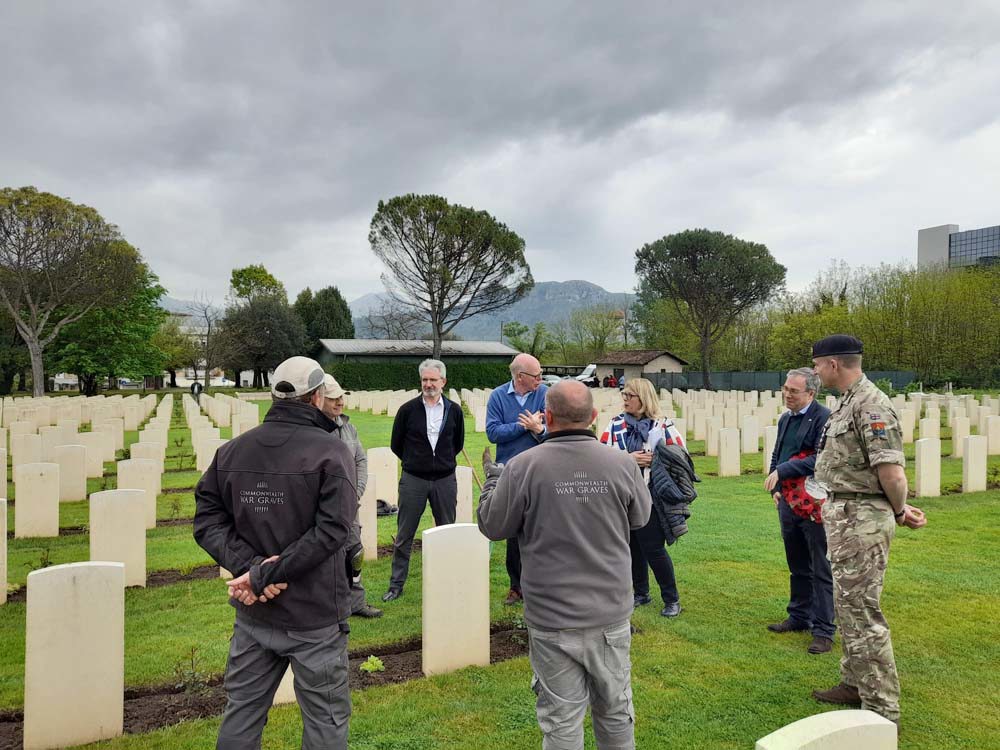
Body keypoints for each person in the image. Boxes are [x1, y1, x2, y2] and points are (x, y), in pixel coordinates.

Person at [478, 380, 652, 750]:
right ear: (593, 416)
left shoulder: (522, 467)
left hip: (552, 618)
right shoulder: (622, 464)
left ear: (548, 416)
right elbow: (641, 517)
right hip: (608, 612)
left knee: (561, 721)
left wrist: (492, 483)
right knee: (615, 709)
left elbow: (493, 525)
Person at [193, 356, 355, 749]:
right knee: (326, 722)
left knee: (242, 714)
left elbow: (206, 521)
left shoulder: (233, 451)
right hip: (314, 616)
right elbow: (333, 531)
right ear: (316, 397)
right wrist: (259, 573)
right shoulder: (331, 452)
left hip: (254, 614)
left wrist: (252, 572)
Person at [809, 334, 926, 726]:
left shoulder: (871, 404)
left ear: (833, 364)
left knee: (863, 611)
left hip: (862, 519)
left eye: (817, 364)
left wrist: (899, 510)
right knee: (847, 606)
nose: (815, 371)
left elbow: (891, 472)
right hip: (846, 516)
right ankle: (854, 683)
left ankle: (882, 709)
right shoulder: (848, 401)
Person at [599, 377, 686, 617]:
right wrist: (629, 459)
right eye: (624, 394)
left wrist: (657, 460)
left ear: (643, 398)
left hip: (652, 495)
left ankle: (672, 599)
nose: (625, 399)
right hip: (623, 495)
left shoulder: (663, 425)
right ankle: (641, 593)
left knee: (653, 548)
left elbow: (682, 458)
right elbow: (601, 458)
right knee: (632, 547)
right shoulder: (615, 425)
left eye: (630, 395)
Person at [382, 359, 465, 602]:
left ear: (443, 382)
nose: (428, 384)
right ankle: (396, 585)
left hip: (444, 480)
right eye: (425, 380)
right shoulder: (407, 410)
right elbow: (396, 444)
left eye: (433, 380)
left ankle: (447, 582)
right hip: (414, 480)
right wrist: (416, 461)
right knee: (404, 535)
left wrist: (440, 462)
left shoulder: (454, 411)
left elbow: (457, 443)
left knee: (446, 532)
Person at [764, 368, 834, 653]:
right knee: (797, 564)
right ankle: (799, 615)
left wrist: (783, 470)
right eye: (785, 388)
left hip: (814, 502)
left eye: (793, 391)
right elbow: (778, 453)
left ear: (811, 393)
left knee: (820, 567)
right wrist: (776, 485)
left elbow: (822, 458)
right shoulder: (785, 419)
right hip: (788, 502)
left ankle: (824, 629)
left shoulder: (823, 418)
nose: (787, 394)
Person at [485, 352, 548, 605]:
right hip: (511, 472)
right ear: (520, 376)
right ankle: (516, 586)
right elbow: (493, 432)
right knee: (514, 531)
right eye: (536, 375)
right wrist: (522, 426)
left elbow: (553, 431)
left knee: (541, 528)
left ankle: (540, 586)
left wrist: (538, 429)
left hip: (541, 470)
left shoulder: (544, 394)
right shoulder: (498, 396)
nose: (540, 379)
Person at [320, 373, 382, 619]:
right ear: (319, 398)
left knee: (354, 552)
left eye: (341, 397)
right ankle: (328, 605)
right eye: (333, 398)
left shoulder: (349, 428)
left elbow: (360, 460)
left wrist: (356, 491)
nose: (339, 402)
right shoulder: (312, 430)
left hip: (349, 503)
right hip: (322, 505)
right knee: (324, 554)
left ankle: (356, 602)